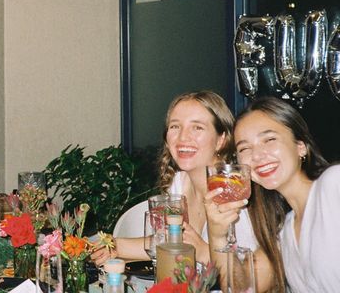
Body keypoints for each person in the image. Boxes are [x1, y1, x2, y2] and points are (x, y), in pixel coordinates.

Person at [92, 91, 256, 266]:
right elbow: (170, 242)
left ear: (221, 139)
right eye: (175, 126)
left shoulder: (234, 190)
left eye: (197, 127)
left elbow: (249, 273)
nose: (183, 137)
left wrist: (201, 251)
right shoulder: (180, 182)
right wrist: (113, 246)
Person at [206, 97, 333, 293]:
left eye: (269, 139)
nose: (257, 156)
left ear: (301, 145)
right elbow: (241, 289)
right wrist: (218, 235)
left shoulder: (332, 185)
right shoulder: (285, 233)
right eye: (245, 148)